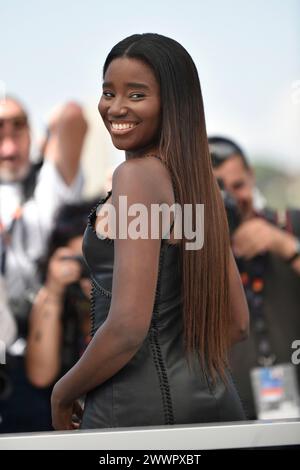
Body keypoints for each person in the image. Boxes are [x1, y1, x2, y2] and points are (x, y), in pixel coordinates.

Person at [51, 33, 249, 431]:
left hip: (138, 419)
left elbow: (127, 326)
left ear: (170, 104)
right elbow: (236, 322)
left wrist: (63, 394)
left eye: (137, 95)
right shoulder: (196, 184)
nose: (116, 107)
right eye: (108, 92)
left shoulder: (137, 177)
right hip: (215, 409)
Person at [0, 97, 87, 432]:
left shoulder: (46, 187)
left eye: (18, 126)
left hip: (42, 351)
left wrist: (52, 131)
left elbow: (73, 118)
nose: (8, 144)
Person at [209, 136, 300, 419]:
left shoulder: (290, 223)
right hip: (229, 411)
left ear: (251, 177)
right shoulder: (194, 250)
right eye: (219, 191)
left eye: (238, 186)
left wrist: (286, 247)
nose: (232, 199)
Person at [26, 201, 97, 388]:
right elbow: (40, 376)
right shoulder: (59, 299)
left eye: (98, 258)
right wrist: (53, 291)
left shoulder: (136, 301)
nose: (89, 270)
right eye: (82, 261)